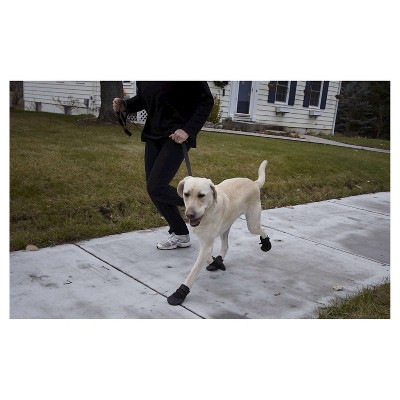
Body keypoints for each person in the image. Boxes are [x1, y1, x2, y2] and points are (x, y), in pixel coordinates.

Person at [113, 81, 214, 250]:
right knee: (153, 188)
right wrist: (125, 105)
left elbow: (206, 101)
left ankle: (205, 205)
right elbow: (145, 99)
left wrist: (188, 130)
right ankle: (181, 233)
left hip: (177, 136)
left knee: (156, 187)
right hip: (153, 134)